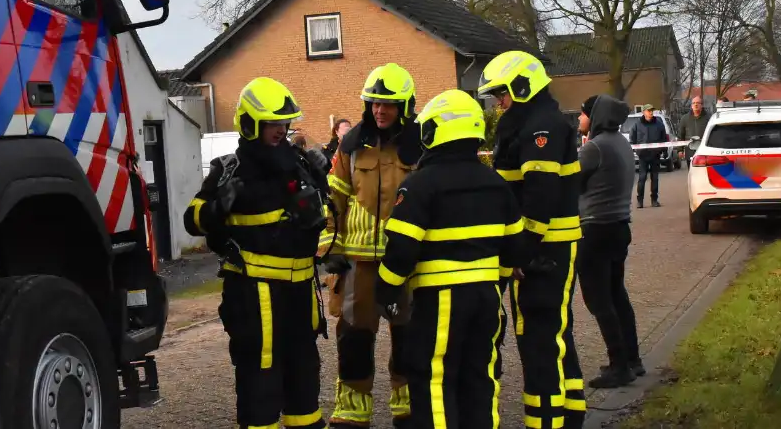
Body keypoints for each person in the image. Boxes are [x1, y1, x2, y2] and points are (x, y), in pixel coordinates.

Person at [182, 77, 329, 429]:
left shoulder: (300, 163)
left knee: (304, 371)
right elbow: (193, 220)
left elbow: (326, 216)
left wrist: (320, 189)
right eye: (272, 124)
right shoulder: (228, 168)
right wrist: (220, 206)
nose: (281, 130)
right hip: (254, 292)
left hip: (300, 290)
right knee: (260, 375)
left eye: (284, 123)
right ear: (250, 124)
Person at [374, 89, 525, 429]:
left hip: (439, 301)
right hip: (487, 299)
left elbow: (400, 251)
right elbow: (517, 246)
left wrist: (384, 291)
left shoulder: (419, 186)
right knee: (480, 378)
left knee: (435, 381)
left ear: (434, 133)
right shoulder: (496, 183)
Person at [478, 50, 585, 429]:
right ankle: (571, 412)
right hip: (545, 245)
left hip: (545, 247)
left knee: (538, 336)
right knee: (555, 332)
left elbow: (539, 199)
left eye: (502, 94)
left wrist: (521, 252)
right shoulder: (533, 122)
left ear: (522, 86)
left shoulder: (542, 127)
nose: (499, 103)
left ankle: (546, 421)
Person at [320, 63, 423, 429]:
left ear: (405, 106)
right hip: (359, 264)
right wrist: (330, 247)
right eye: (374, 103)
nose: (380, 110)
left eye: (389, 104)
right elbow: (335, 198)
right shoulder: (350, 145)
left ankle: (409, 410)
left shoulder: (421, 145)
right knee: (354, 339)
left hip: (407, 262)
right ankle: (351, 412)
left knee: (410, 338)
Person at [576, 95, 643, 388]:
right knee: (617, 294)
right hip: (618, 227)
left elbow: (568, 180)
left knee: (598, 300)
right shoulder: (622, 143)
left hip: (595, 230)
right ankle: (632, 359)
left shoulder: (595, 147)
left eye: (582, 114)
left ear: (595, 116)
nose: (579, 120)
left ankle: (619, 366)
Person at [629, 104, 666, 209]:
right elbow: (632, 138)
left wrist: (664, 150)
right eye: (648, 111)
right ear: (644, 112)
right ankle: (640, 201)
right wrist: (637, 150)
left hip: (655, 155)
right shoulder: (637, 125)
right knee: (642, 178)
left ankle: (654, 200)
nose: (650, 112)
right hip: (643, 156)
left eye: (652, 111)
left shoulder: (659, 124)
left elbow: (664, 138)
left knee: (655, 178)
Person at [676, 96, 710, 165]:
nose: (695, 105)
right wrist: (680, 150)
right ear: (691, 105)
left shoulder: (708, 118)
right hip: (690, 152)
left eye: (698, 103)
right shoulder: (685, 119)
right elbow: (681, 135)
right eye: (693, 103)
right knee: (692, 174)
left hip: (704, 152)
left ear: (702, 105)